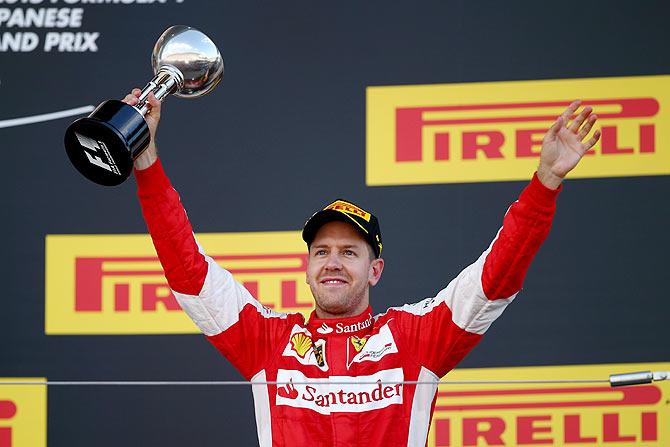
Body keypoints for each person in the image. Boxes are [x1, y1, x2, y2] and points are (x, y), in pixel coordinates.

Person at [125, 89, 600, 446]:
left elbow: (498, 276)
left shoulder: (416, 337)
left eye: (349, 252)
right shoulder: (266, 341)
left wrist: (545, 182)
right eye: (322, 251)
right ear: (307, 266)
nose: (332, 263)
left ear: (376, 270)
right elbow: (187, 269)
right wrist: (146, 162)